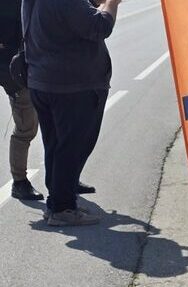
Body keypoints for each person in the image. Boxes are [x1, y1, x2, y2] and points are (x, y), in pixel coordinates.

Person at [24, 0, 121, 226]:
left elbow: (68, 19)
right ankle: (63, 208)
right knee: (72, 148)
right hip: (71, 86)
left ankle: (57, 202)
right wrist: (112, 3)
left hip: (44, 81)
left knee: (56, 145)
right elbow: (99, 27)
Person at [0, 0, 41, 201]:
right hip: (18, 73)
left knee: (57, 125)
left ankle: (63, 177)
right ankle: (19, 181)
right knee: (26, 127)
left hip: (42, 69)